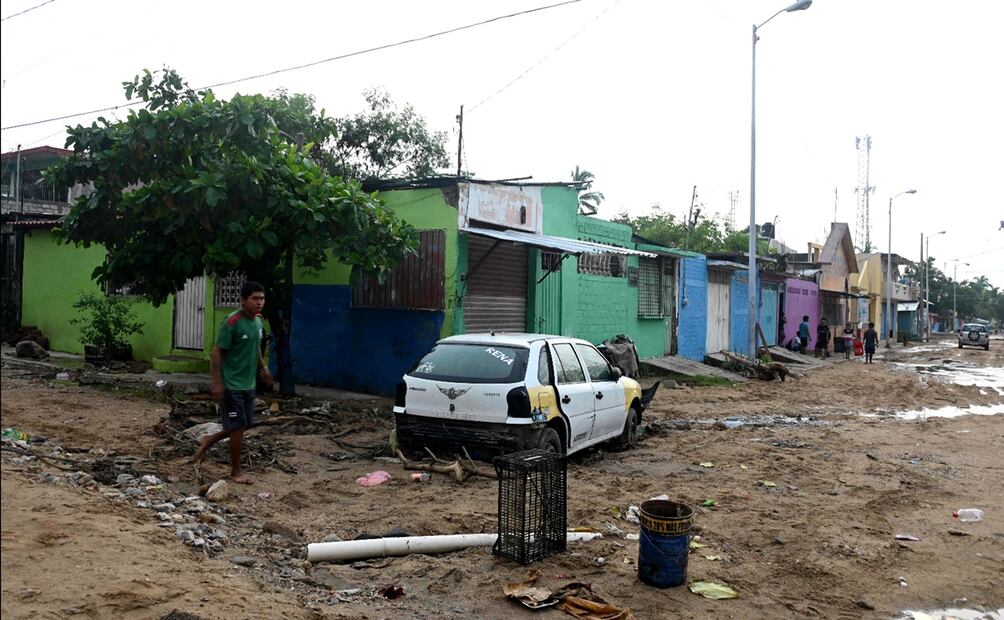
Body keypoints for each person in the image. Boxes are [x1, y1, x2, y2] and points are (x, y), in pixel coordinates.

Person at [193, 281, 273, 484]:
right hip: (231, 384)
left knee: (243, 425)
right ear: (243, 300)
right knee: (237, 426)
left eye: (262, 298)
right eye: (255, 298)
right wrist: (217, 382)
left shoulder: (258, 322)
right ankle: (236, 471)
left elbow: (255, 347)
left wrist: (263, 368)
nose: (259, 302)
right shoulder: (232, 321)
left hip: (249, 384)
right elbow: (217, 352)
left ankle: (208, 441)